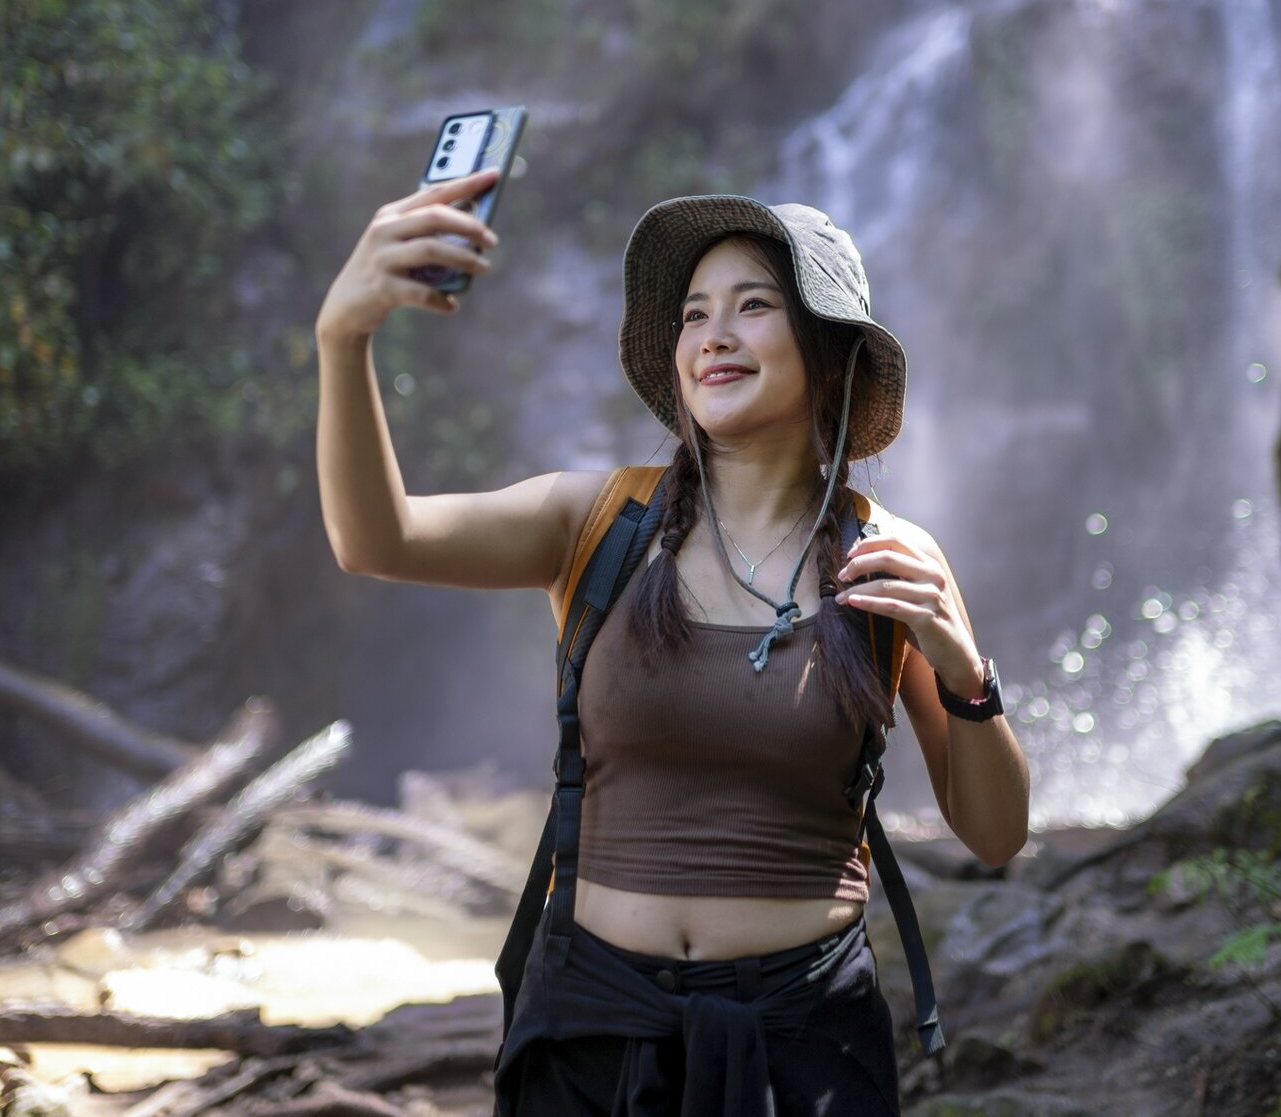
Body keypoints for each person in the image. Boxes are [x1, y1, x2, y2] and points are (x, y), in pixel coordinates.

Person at [314, 164, 1032, 1114]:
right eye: (693, 314)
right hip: (593, 1033)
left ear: (828, 350)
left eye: (753, 305)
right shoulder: (596, 521)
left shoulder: (890, 557)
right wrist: (344, 335)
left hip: (803, 1041)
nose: (714, 335)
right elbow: (378, 538)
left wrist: (965, 672)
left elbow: (995, 833)